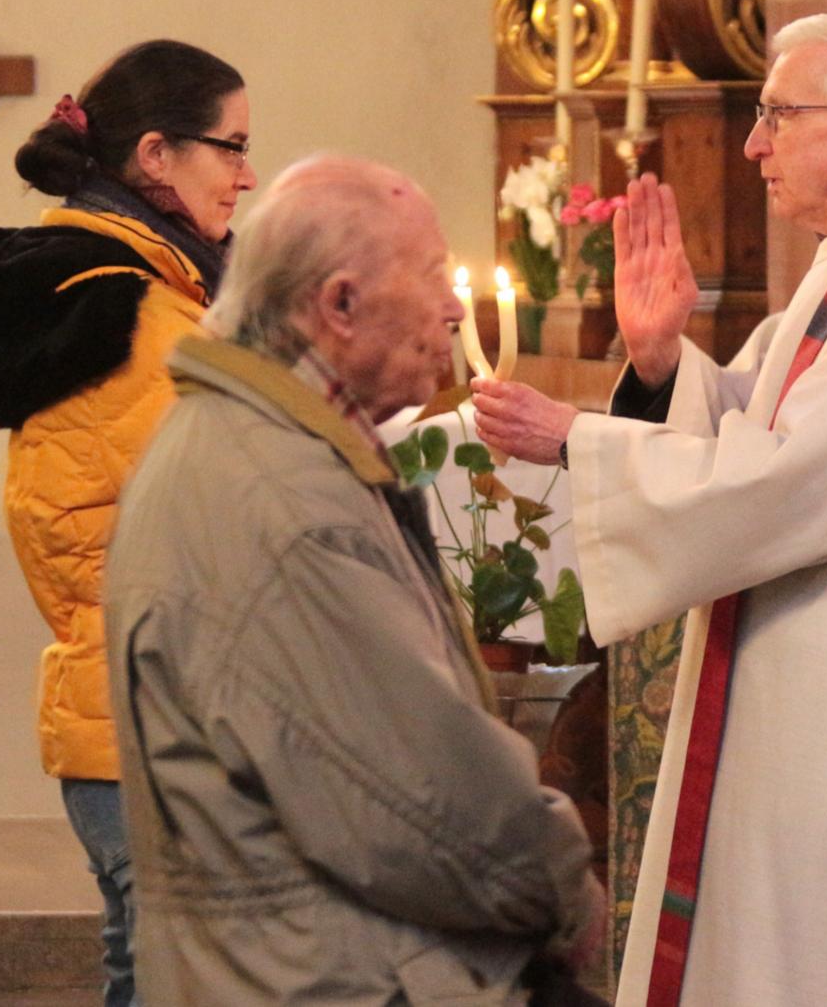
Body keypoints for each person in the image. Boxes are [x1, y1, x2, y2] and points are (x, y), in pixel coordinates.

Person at [471, 14, 827, 1005]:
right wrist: (659, 362)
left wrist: (576, 439)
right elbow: (762, 421)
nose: (752, 143)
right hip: (809, 684)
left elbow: (791, 479)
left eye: (777, 114)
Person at [102, 155, 605, 1005]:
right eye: (435, 276)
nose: (455, 307)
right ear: (339, 305)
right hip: (336, 978)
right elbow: (423, 807)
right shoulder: (281, 499)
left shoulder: (261, 446)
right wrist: (565, 889)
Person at [0, 38, 256, 1007]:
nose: (246, 175)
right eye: (230, 146)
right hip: (163, 720)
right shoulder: (137, 315)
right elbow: (235, 516)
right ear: (155, 155)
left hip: (124, 712)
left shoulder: (126, 292)